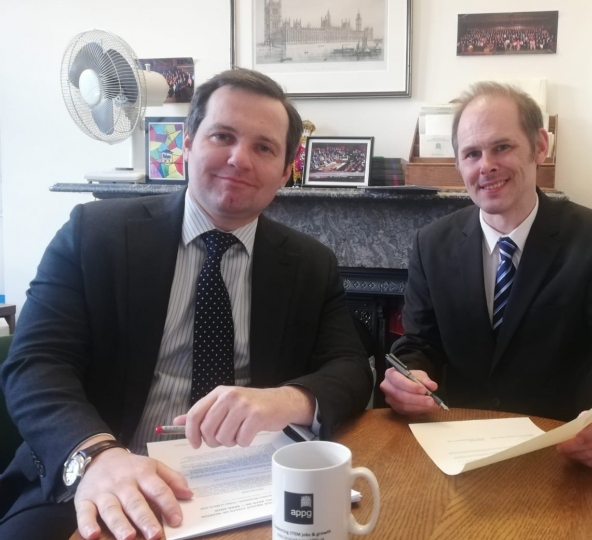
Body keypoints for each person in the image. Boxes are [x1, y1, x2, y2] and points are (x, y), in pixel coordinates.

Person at [0, 69, 373, 540]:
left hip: (244, 486)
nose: (239, 159)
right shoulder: (94, 234)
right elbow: (35, 364)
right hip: (102, 472)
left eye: (264, 147)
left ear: (285, 170)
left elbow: (351, 367)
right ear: (188, 144)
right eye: (223, 136)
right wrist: (96, 454)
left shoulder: (311, 263)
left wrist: (284, 400)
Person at [380, 81, 592, 469]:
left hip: (561, 449)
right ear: (458, 164)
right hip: (459, 448)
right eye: (472, 153)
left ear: (540, 145)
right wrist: (411, 375)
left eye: (502, 147)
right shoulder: (431, 244)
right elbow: (420, 343)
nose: (485, 165)